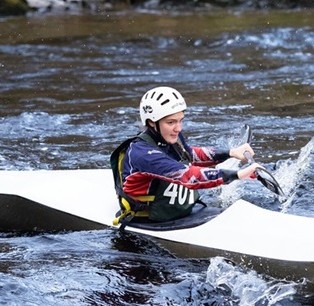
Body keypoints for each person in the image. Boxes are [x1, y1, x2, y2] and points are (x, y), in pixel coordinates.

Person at [110, 86, 262, 226]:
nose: (178, 128)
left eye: (180, 120)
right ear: (151, 122)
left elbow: (191, 155)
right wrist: (238, 174)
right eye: (171, 122)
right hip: (149, 222)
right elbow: (187, 175)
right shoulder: (143, 154)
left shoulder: (167, 137)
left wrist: (230, 153)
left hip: (179, 213)